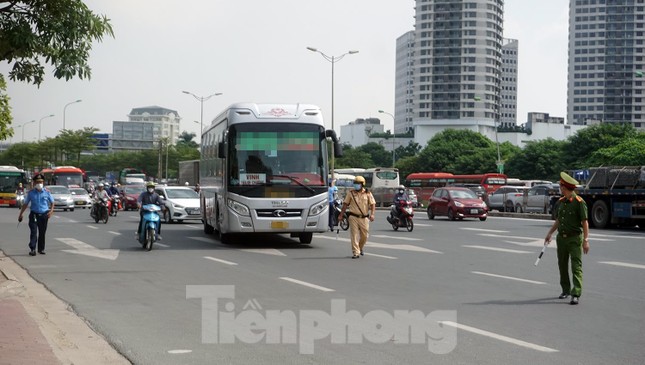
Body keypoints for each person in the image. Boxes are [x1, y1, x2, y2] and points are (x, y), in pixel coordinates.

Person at [544, 172, 589, 305]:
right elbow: (558, 220)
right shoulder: (561, 202)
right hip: (561, 239)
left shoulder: (579, 202)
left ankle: (576, 293)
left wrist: (586, 240)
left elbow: (585, 222)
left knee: (576, 267)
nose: (560, 189)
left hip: (574, 239)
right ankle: (565, 290)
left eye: (561, 186)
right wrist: (550, 233)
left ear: (565, 187)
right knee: (562, 265)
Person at [338, 176, 376, 259]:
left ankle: (360, 247)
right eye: (355, 183)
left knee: (365, 236)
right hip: (353, 217)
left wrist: (372, 214)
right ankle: (356, 252)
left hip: (364, 217)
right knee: (354, 235)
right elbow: (345, 204)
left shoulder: (368, 193)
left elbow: (373, 204)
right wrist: (341, 215)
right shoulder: (351, 193)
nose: (356, 185)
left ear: (362, 184)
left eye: (358, 184)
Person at [18, 174, 54, 256]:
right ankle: (32, 249)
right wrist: (21, 214)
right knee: (33, 232)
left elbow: (52, 202)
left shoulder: (47, 192)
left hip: (44, 214)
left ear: (43, 182)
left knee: (42, 232)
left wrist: (51, 211)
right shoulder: (31, 193)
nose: (39, 183)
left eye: (41, 182)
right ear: (34, 183)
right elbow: (25, 204)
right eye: (37, 182)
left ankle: (41, 249)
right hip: (34, 214)